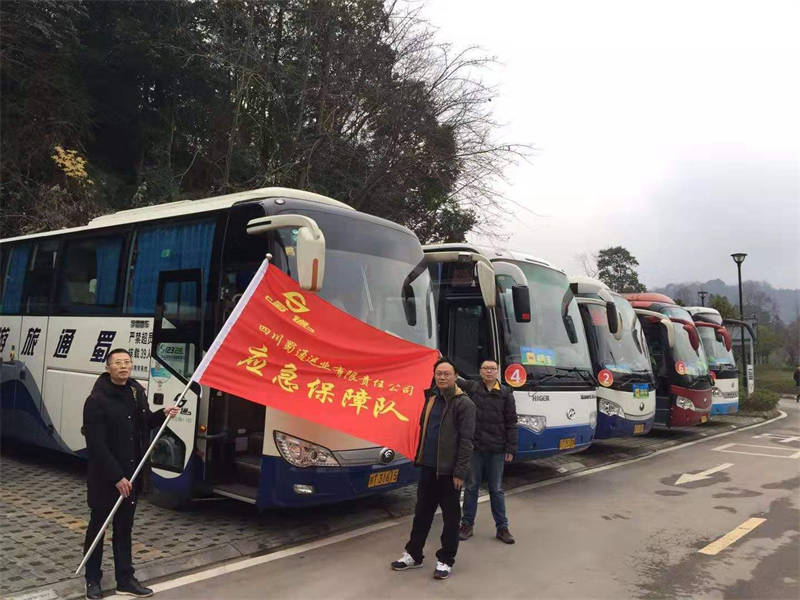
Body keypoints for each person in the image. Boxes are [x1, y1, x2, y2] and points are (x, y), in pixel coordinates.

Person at [82, 348, 178, 599]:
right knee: (98, 528)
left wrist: (162, 415)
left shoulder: (136, 392)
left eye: (127, 362)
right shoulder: (96, 400)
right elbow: (97, 445)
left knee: (124, 529)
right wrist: (116, 477)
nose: (123, 366)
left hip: (132, 475)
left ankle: (125, 579)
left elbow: (143, 424)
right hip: (106, 478)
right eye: (118, 363)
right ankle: (92, 580)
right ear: (108, 367)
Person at [391, 358, 475, 580]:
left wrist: (460, 472)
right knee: (422, 514)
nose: (442, 377)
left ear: (456, 376)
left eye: (447, 373)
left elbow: (467, 441)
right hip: (428, 467)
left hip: (449, 472)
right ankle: (413, 554)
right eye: (439, 373)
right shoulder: (431, 398)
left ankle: (446, 559)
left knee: (450, 518)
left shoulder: (464, 404)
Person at [458, 360, 518, 544]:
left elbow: (511, 422)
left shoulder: (506, 393)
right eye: (485, 368)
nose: (489, 371)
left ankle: (502, 528)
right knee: (471, 487)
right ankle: (467, 525)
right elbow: (454, 378)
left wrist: (511, 447)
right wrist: (438, 359)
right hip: (475, 448)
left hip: (497, 449)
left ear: (497, 371)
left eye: (492, 369)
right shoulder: (473, 387)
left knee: (496, 489)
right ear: (480, 371)